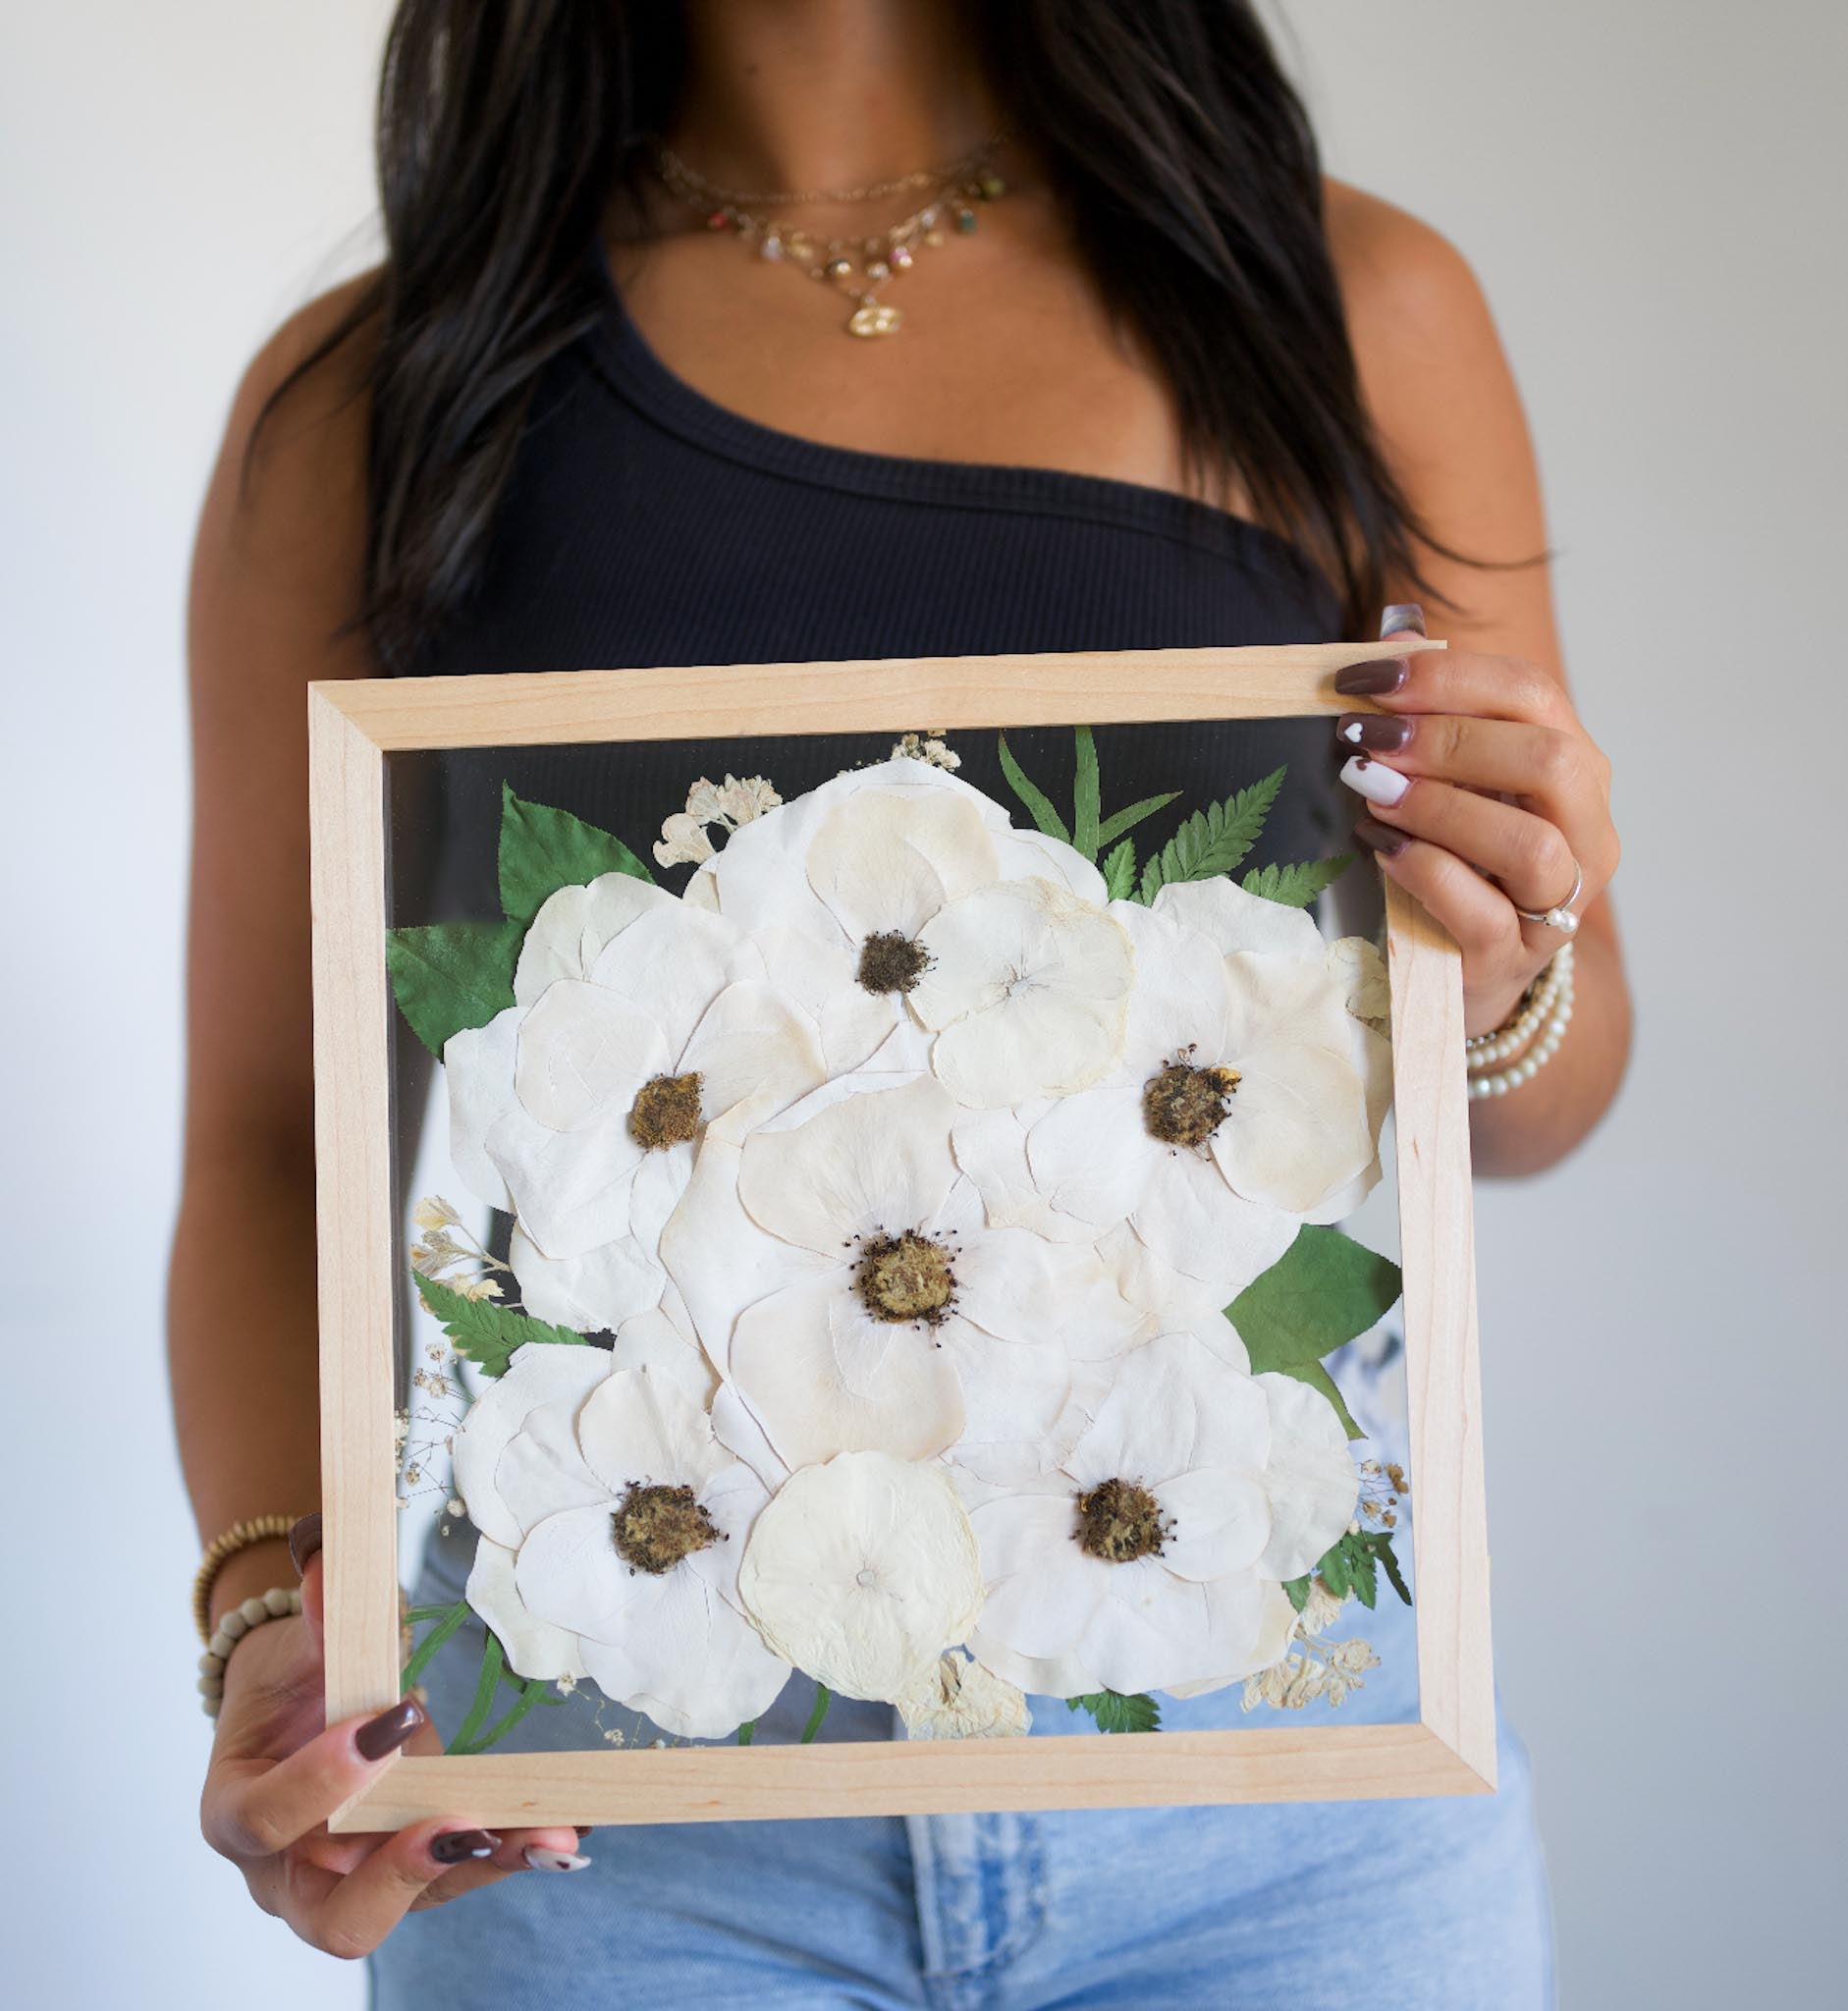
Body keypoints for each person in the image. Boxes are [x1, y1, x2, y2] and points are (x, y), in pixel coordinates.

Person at [173, 2, 1628, 2001]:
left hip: (1275, 1791)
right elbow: (274, 1129)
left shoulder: (1345, 302)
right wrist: (274, 1627)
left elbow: (1536, 1088)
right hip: (621, 1809)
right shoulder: (372, 398)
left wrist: (1508, 954)